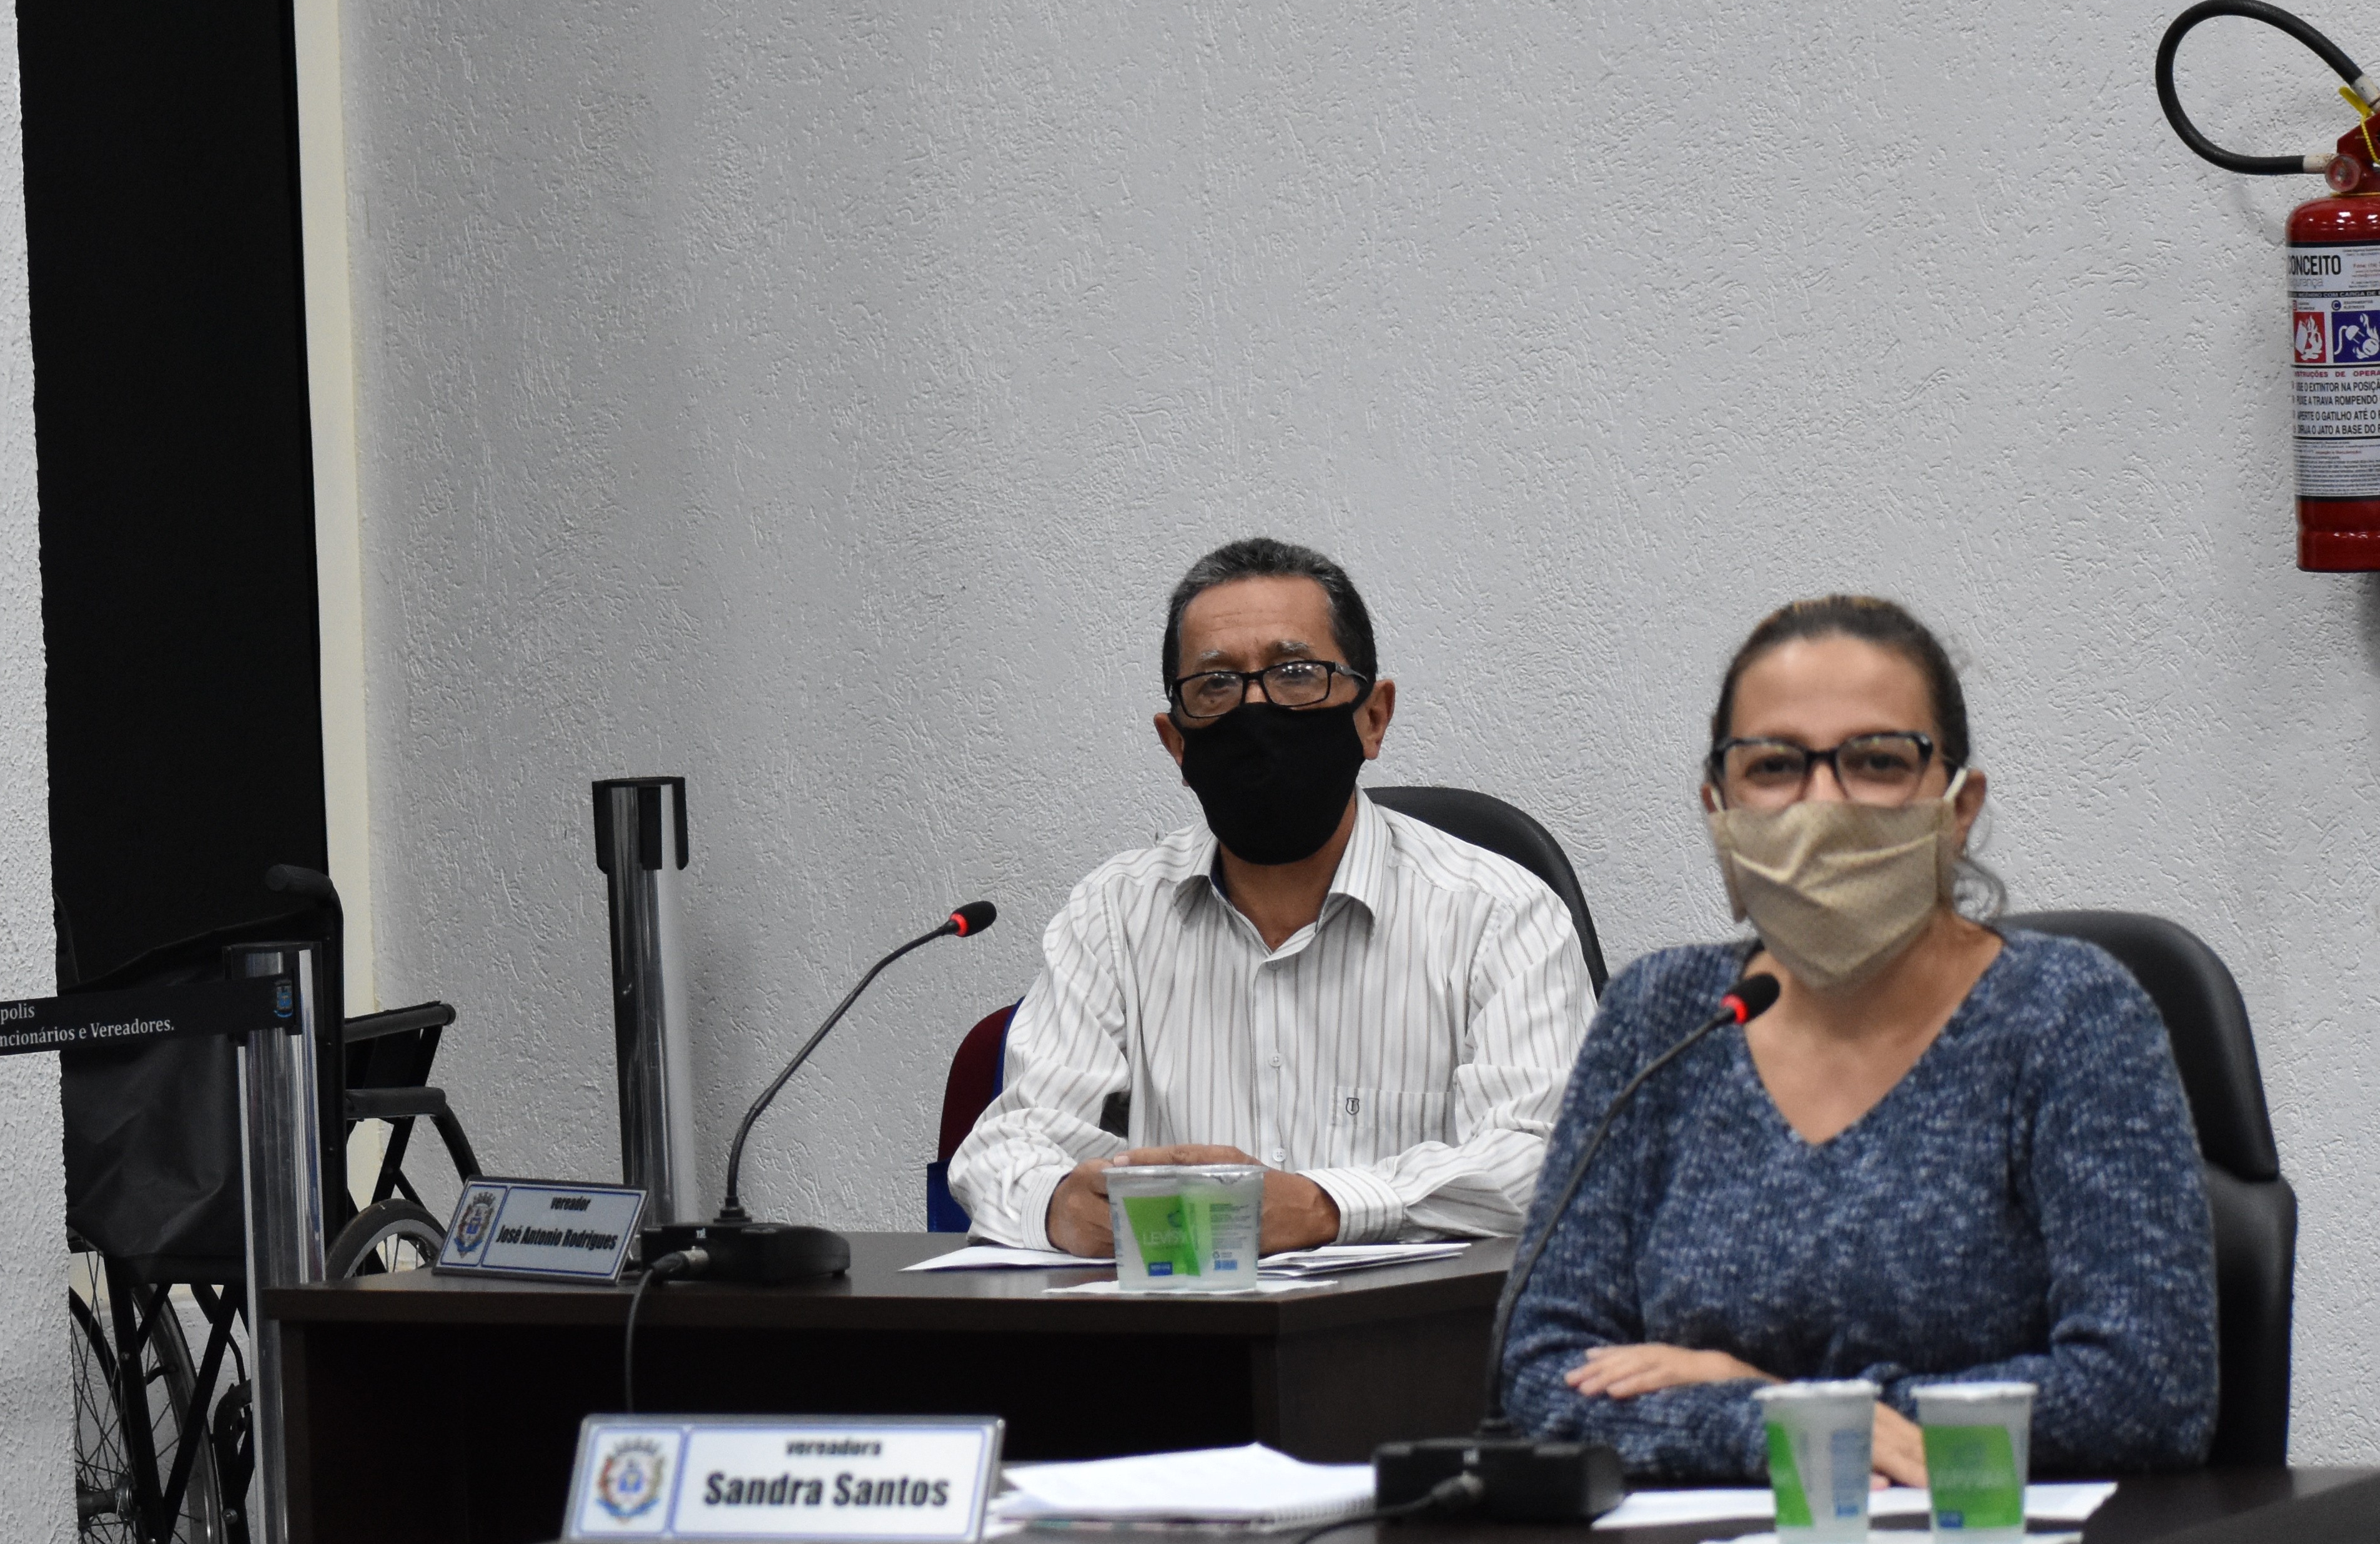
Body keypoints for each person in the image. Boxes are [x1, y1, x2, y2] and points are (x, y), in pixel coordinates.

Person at [1497, 597, 2214, 1482]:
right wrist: (1761, 1425)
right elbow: (1539, 1373)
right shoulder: (1662, 1016)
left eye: (1877, 762)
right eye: (1774, 766)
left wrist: (1802, 1413)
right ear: (1719, 807)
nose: (1824, 802)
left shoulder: (2069, 1015)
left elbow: (2148, 1391)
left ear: (1958, 807)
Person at [947, 538, 1598, 1255]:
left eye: (1296, 674)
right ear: (1177, 745)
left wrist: (1325, 1206)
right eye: (1216, 685)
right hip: (1184, 1318)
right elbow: (1007, 1147)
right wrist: (1058, 1205)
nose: (1255, 708)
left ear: (1373, 717)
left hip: (1421, 1325)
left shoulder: (1502, 914)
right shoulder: (1112, 916)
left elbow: (1549, 1160)